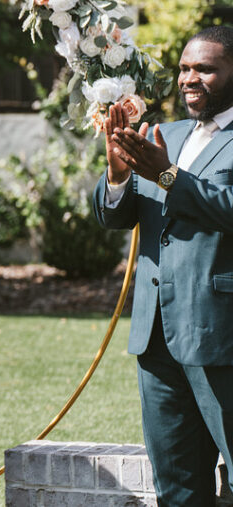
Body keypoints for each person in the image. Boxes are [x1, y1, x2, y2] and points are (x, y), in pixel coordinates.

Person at [93, 25, 233, 505]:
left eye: (206, 69)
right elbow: (117, 216)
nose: (190, 78)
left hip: (221, 335)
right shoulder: (163, 135)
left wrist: (168, 175)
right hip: (156, 339)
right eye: (185, 68)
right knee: (176, 485)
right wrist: (115, 175)